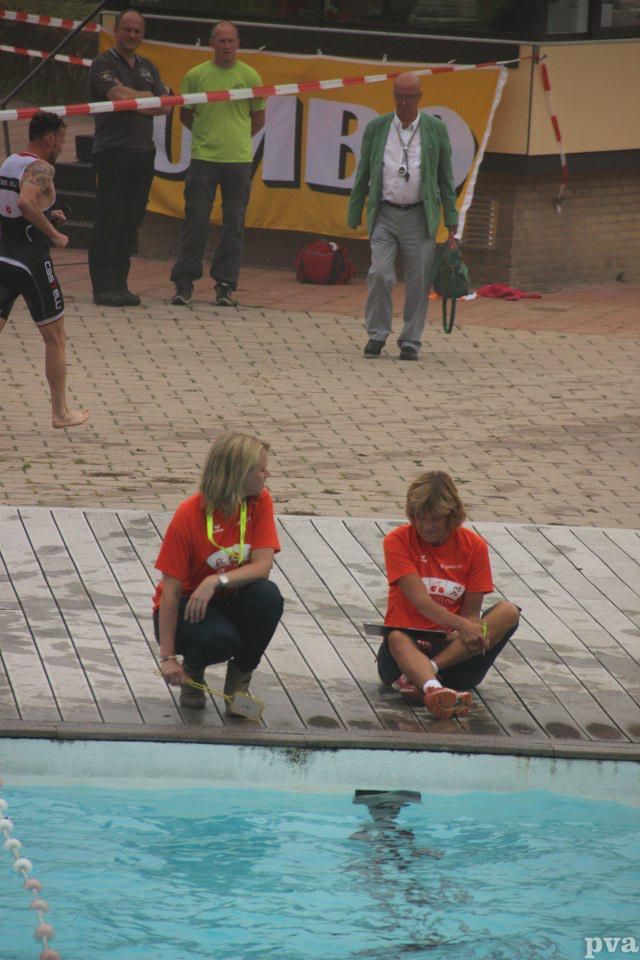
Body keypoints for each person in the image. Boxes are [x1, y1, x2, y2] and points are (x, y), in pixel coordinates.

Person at [153, 432, 283, 712]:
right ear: (237, 475)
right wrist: (167, 658)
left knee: (268, 597)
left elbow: (262, 566)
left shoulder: (260, 502)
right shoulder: (188, 514)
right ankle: (193, 673)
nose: (267, 474)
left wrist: (215, 580)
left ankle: (239, 682)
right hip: (186, 608)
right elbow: (171, 592)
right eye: (261, 470)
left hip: (226, 597)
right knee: (222, 639)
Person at [377, 470, 520, 719]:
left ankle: (425, 675)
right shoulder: (397, 541)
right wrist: (463, 625)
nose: (426, 526)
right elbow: (420, 602)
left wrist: (466, 630)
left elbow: (472, 614)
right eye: (419, 518)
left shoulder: (475, 546)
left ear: (451, 516)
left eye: (434, 519)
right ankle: (433, 691)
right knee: (397, 637)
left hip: (451, 650)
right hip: (406, 649)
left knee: (508, 611)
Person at [347, 71, 459, 361]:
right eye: (400, 96)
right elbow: (364, 173)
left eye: (411, 97)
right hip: (384, 212)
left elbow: (446, 177)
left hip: (420, 216)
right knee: (380, 274)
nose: (405, 102)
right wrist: (354, 209)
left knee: (419, 280)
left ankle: (410, 340)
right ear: (393, 96)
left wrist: (451, 219)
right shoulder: (378, 128)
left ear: (420, 97)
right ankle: (377, 333)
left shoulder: (435, 129)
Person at [0, 112, 89, 429]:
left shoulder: (10, 161)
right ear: (49, 138)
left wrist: (51, 213)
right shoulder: (42, 167)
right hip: (32, 261)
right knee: (55, 338)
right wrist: (54, 234)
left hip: (4, 256)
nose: (63, 146)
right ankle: (60, 413)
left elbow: (13, 204)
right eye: (63, 139)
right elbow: (26, 202)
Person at [169, 20, 265, 309]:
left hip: (238, 161)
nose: (226, 46)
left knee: (233, 224)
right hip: (203, 159)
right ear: (211, 43)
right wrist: (207, 137)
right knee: (195, 222)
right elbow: (186, 115)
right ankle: (184, 284)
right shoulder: (196, 76)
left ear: (238, 44)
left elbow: (258, 119)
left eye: (230, 41)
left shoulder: (251, 77)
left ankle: (225, 285)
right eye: (220, 41)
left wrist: (235, 141)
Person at [87, 8, 169, 307]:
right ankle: (103, 288)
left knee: (130, 221)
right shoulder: (102, 63)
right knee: (111, 218)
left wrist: (133, 100)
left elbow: (164, 105)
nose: (132, 35)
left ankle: (120, 285)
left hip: (142, 153)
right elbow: (117, 96)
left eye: (138, 31)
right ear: (115, 30)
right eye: (127, 29)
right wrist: (139, 99)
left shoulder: (149, 67)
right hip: (112, 152)